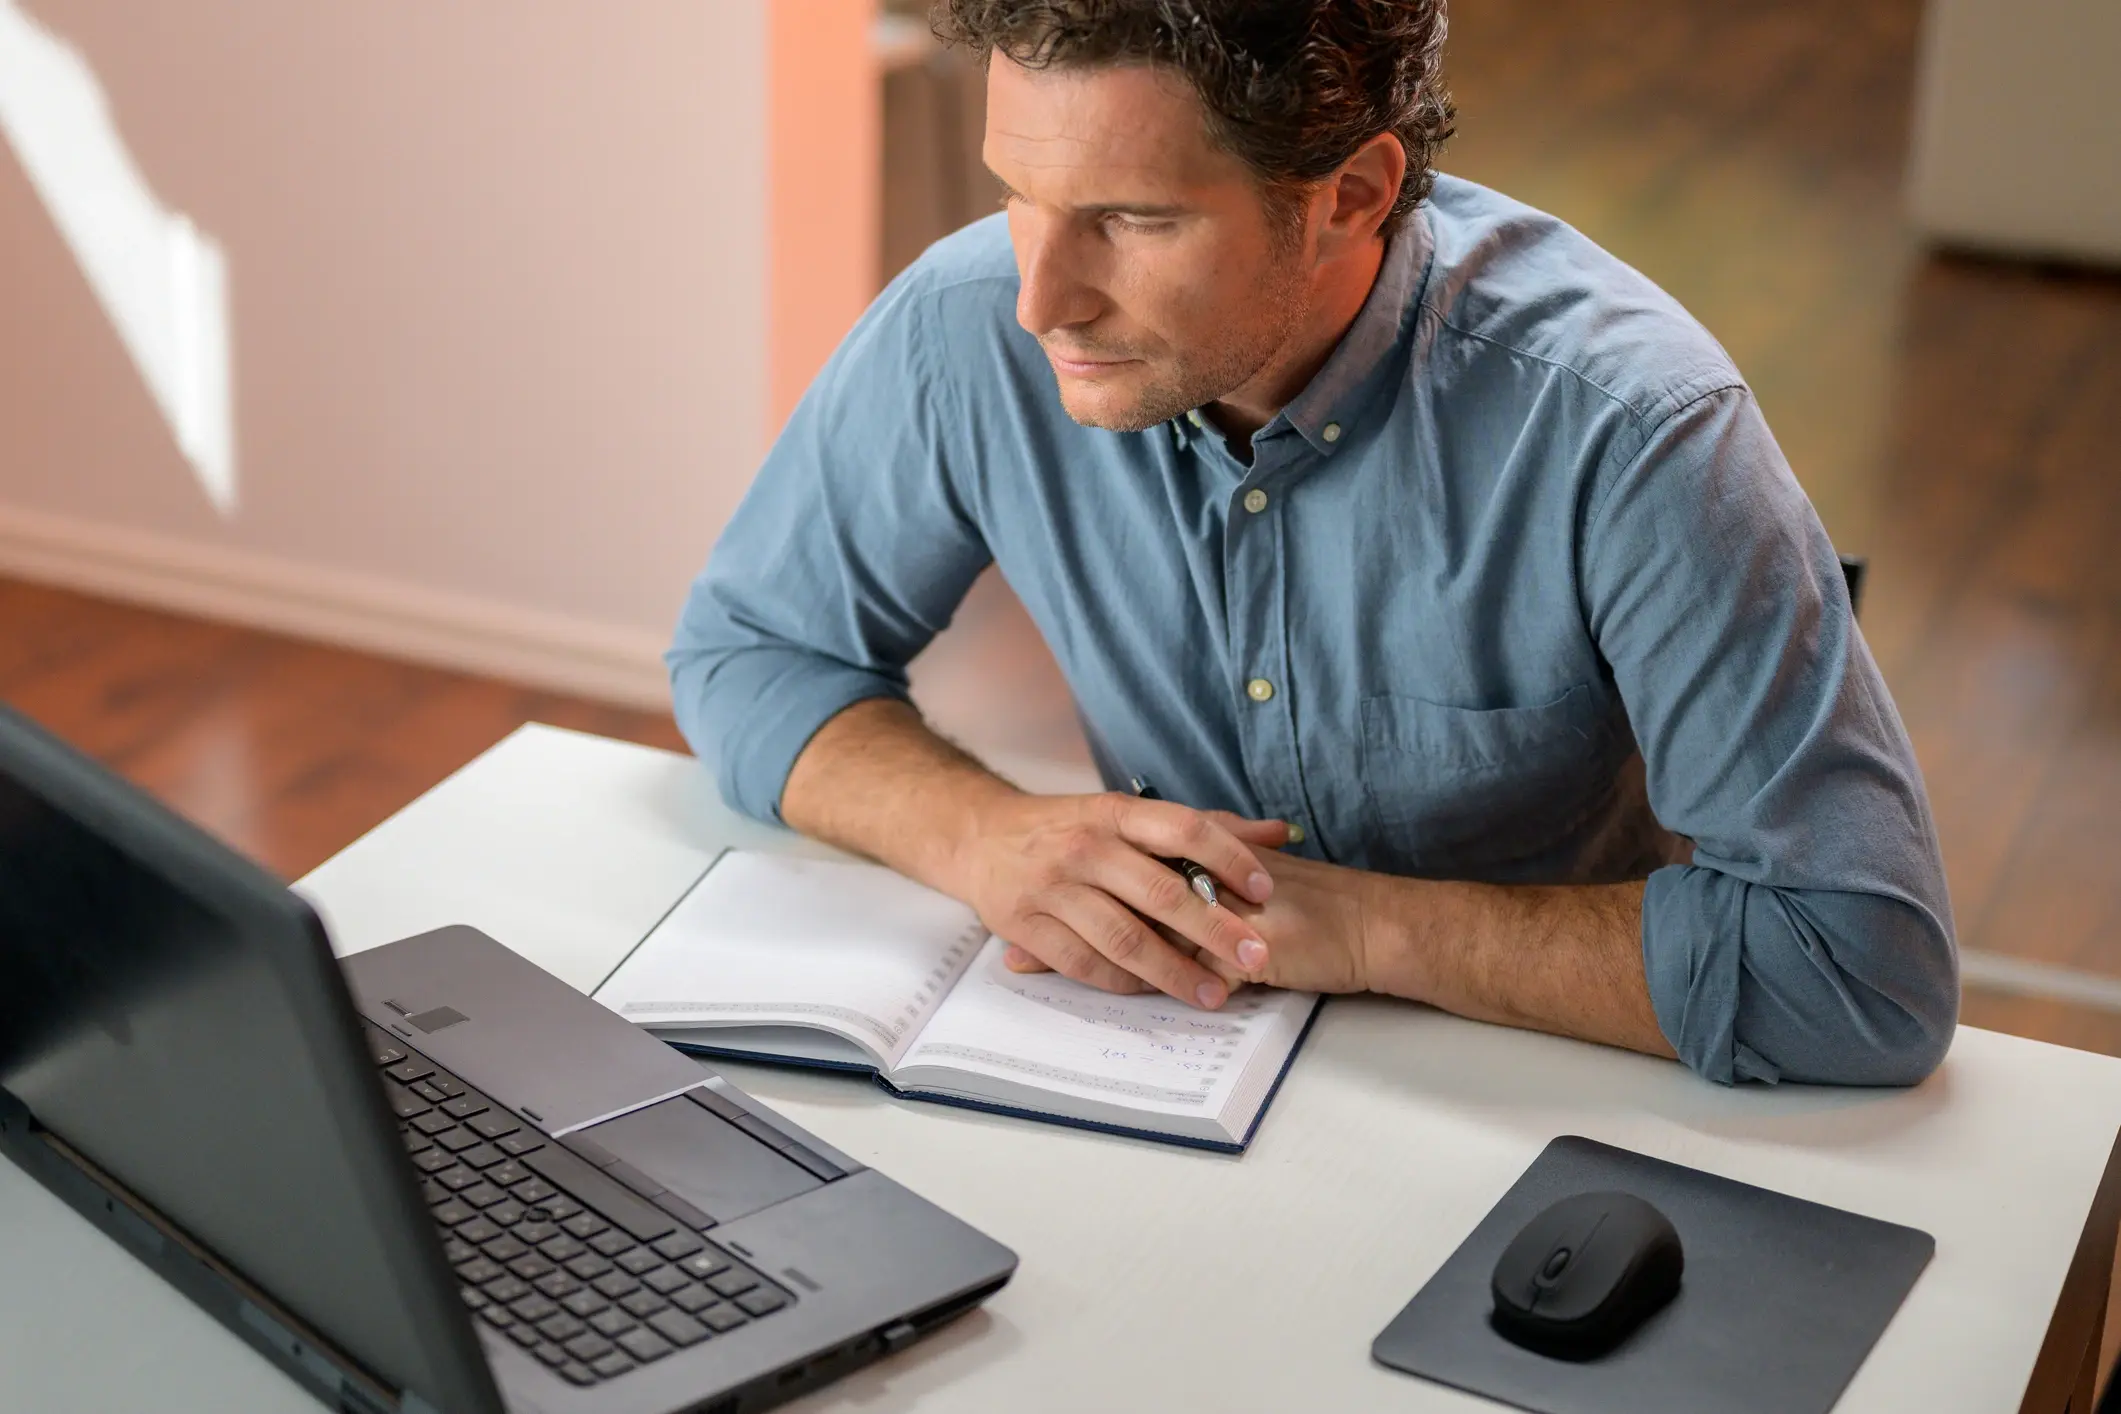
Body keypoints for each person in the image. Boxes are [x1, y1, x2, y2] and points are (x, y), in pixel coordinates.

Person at [668, 0, 1958, 1087]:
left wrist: (1367, 929)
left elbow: (1862, 969)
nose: (1039, 296)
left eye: (1132, 218)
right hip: (1160, 1066)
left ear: (1353, 193)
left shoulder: (1630, 429)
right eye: (1020, 196)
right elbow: (747, 652)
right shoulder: (961, 329)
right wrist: (984, 834)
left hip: (1555, 1087)